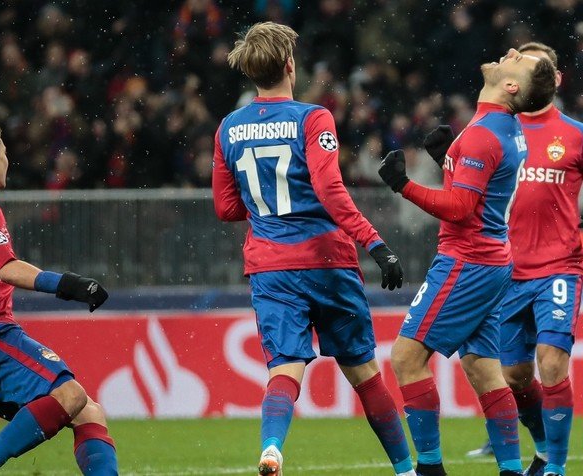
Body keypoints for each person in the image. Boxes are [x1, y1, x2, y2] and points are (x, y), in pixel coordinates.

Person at [213, 22, 414, 476]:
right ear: (290, 65)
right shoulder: (313, 117)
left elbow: (225, 207)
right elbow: (330, 189)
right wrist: (376, 243)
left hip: (270, 267)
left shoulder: (228, 128)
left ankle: (271, 448)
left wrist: (268, 207)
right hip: (327, 262)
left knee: (284, 369)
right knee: (364, 374)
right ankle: (405, 470)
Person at [378, 48, 557, 476]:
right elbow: (486, 189)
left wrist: (402, 184)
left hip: (467, 260)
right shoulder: (502, 128)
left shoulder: (484, 134)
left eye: (519, 60)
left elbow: (460, 209)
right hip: (492, 261)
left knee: (406, 358)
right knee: (483, 369)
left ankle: (430, 470)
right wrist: (450, 161)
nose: (510, 52)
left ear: (510, 86)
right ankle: (511, 470)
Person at [0, 121, 117, 476]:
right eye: (5, 153)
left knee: (87, 410)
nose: (8, 161)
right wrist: (69, 284)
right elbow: (7, 269)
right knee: (71, 394)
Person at [457, 42, 580, 476]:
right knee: (515, 377)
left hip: (559, 267)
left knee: (552, 360)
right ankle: (544, 449)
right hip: (506, 272)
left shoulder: (575, 134)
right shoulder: (495, 131)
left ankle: (557, 468)